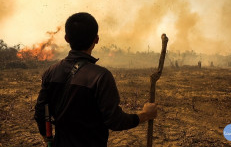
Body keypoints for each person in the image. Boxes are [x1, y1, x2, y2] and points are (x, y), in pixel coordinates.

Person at [34, 12, 157, 147]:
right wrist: (145, 114)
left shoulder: (51, 72)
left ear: (66, 38)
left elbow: (41, 111)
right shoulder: (101, 77)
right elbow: (115, 121)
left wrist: (47, 137)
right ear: (96, 39)